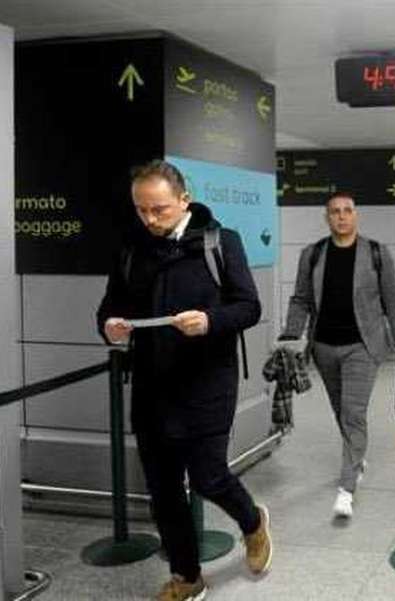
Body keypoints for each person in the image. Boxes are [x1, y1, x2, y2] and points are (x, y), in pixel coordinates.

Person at [96, 160, 272, 601]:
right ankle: (187, 577)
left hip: (207, 384)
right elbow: (108, 307)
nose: (150, 220)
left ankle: (252, 522)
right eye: (142, 210)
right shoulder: (131, 249)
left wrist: (210, 321)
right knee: (163, 490)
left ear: (184, 201)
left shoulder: (219, 242)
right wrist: (109, 327)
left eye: (160, 210)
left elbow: (249, 307)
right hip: (152, 386)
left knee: (210, 477)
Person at [278, 193, 395, 518]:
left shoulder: (376, 253)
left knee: (352, 412)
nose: (342, 217)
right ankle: (357, 457)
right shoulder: (313, 254)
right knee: (339, 410)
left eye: (347, 211)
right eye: (335, 212)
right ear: (327, 217)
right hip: (323, 347)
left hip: (363, 346)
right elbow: (301, 299)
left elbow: (394, 304)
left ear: (356, 216)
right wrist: (291, 335)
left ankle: (347, 488)